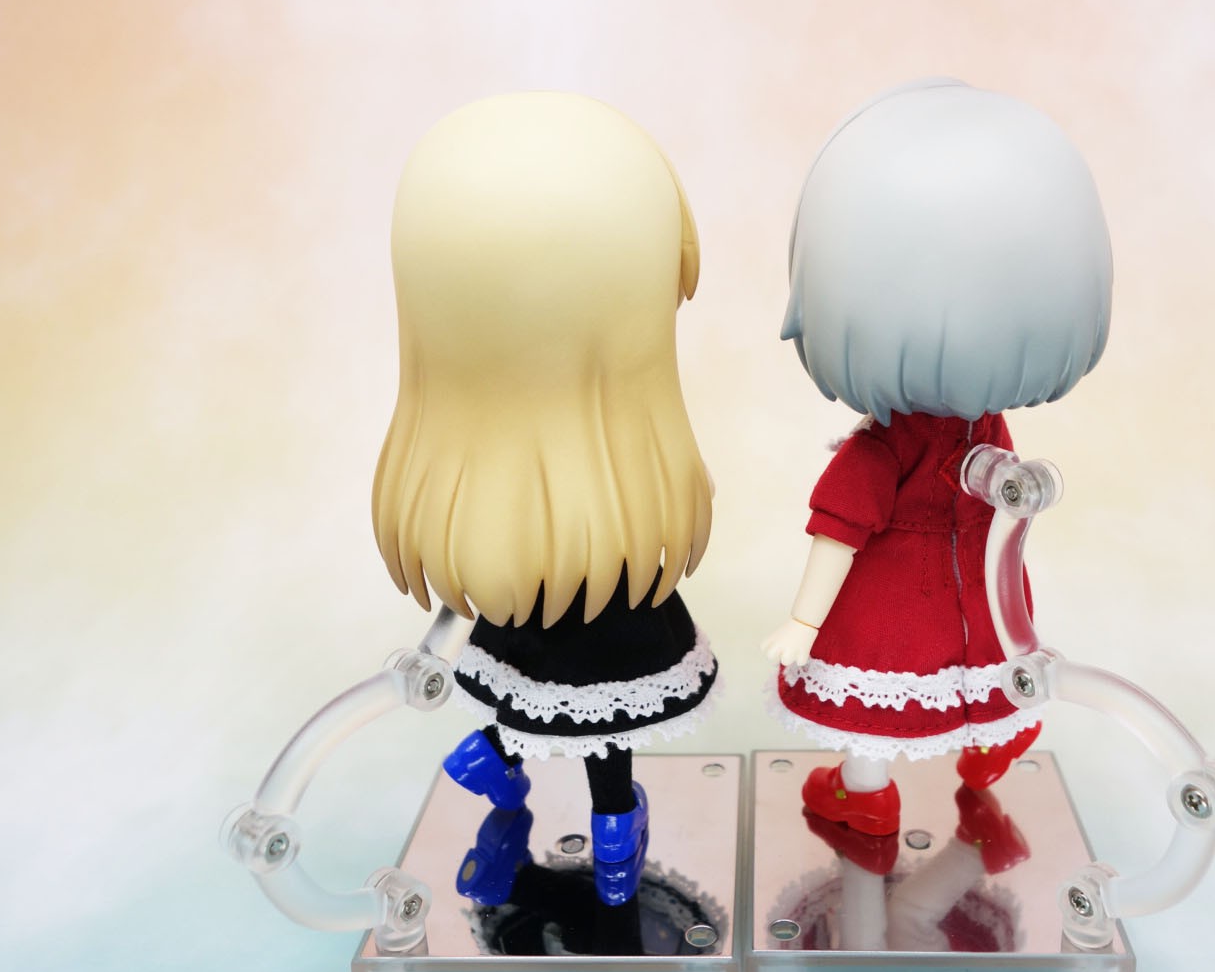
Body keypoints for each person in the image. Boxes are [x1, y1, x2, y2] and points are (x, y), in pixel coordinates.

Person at [374, 92, 717, 903]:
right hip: (617, 608)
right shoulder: (632, 484)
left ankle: (492, 756)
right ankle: (612, 832)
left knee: (526, 692)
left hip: (517, 599)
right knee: (604, 731)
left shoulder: (478, 498)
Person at [762, 79, 1112, 835]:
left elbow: (837, 533)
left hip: (891, 610)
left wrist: (802, 622)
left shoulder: (883, 449)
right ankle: (993, 739)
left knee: (872, 715)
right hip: (979, 595)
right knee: (985, 670)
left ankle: (866, 793)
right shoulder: (987, 427)